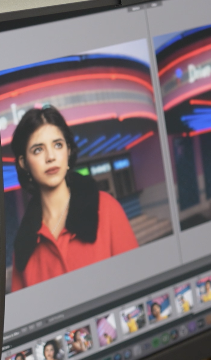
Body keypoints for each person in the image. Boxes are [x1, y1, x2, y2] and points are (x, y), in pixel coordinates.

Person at [10, 107, 139, 291]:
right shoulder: (22, 249)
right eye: (38, 150)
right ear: (23, 163)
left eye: (58, 145)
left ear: (68, 151)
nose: (51, 157)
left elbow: (138, 286)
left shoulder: (106, 208)